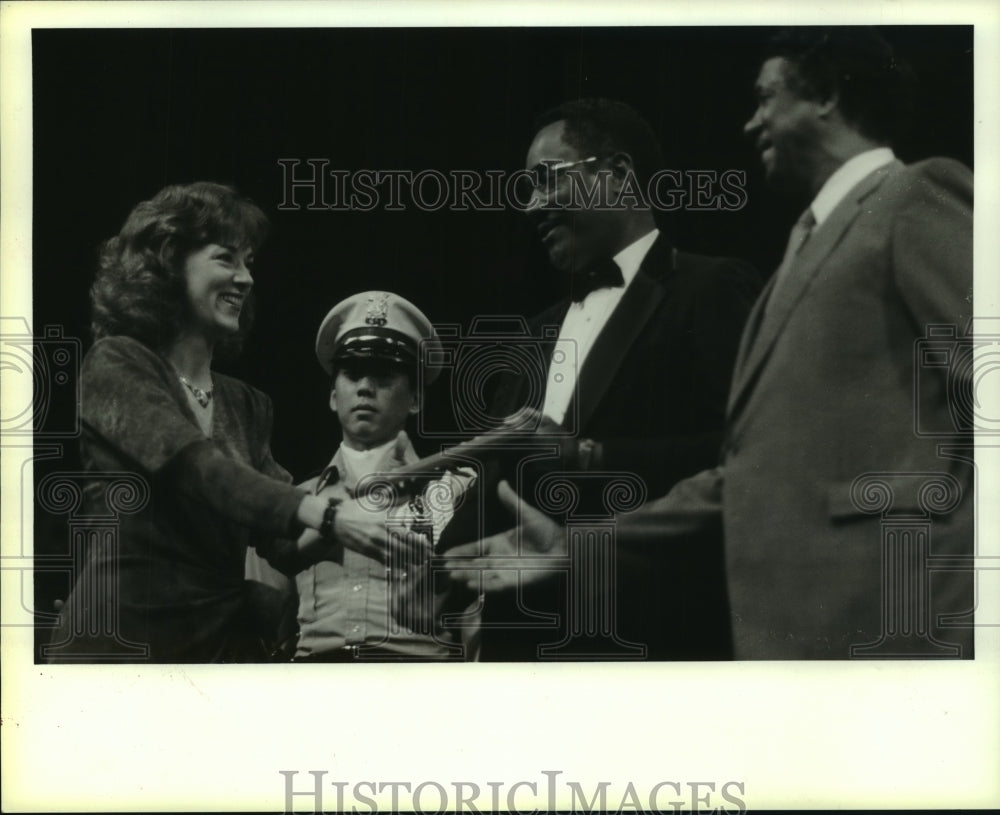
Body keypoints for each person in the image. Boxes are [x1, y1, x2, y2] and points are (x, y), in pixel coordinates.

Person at [446, 28, 975, 660]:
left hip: (897, 613)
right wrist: (573, 548)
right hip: (790, 634)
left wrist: (961, 600)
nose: (751, 122)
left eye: (764, 98)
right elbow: (746, 473)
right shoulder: (797, 260)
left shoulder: (917, 195)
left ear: (828, 95)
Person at [46, 182, 423, 663]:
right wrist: (323, 511)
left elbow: (285, 543)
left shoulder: (248, 405)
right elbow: (200, 469)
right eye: (227, 259)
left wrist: (367, 492)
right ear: (168, 261)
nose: (245, 279)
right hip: (119, 649)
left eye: (249, 263)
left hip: (214, 654)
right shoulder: (116, 364)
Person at [443, 98, 761, 661]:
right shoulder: (533, 335)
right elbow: (494, 485)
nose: (533, 206)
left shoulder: (710, 289)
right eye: (527, 189)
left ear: (615, 174)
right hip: (521, 647)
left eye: (547, 180)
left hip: (649, 633)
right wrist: (416, 558)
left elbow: (747, 461)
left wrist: (588, 454)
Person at [282, 291, 476, 661]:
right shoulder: (296, 499)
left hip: (417, 683)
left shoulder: (457, 492)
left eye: (384, 376)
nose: (365, 388)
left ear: (416, 398)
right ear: (333, 395)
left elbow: (475, 619)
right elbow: (271, 611)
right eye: (352, 374)